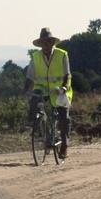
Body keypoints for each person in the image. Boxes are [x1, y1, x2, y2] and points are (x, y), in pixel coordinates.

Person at [25, 27, 72, 159]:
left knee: (63, 117)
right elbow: (30, 76)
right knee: (35, 101)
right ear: (40, 44)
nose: (46, 45)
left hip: (59, 90)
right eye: (44, 42)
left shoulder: (62, 55)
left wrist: (63, 88)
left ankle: (64, 145)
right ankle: (36, 127)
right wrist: (26, 90)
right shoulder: (35, 57)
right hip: (43, 89)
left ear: (52, 42)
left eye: (49, 42)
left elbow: (67, 74)